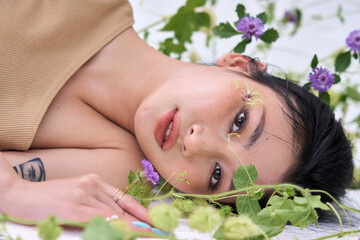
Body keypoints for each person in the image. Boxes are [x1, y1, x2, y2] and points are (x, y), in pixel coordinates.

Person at [0, 0, 353, 229]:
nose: (196, 144)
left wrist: (12, 190)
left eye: (216, 176)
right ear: (241, 65)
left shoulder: (119, 167)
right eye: (240, 122)